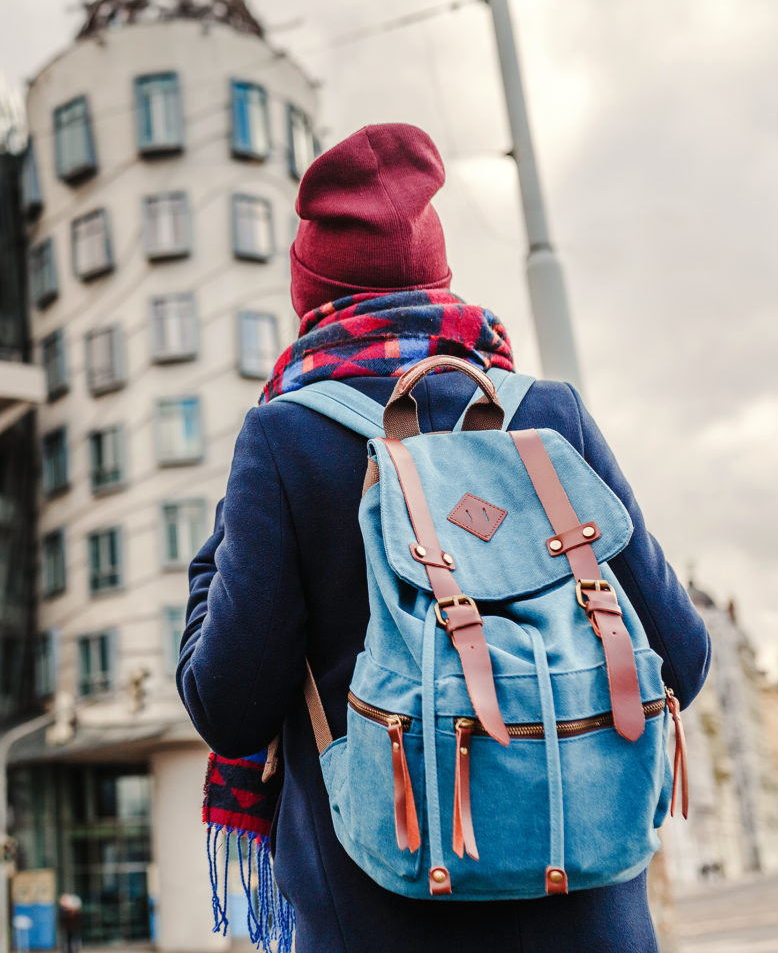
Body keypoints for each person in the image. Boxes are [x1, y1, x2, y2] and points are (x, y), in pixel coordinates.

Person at [176, 123, 712, 953]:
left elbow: (230, 706)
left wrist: (214, 563)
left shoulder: (286, 439)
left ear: (309, 292)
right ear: (437, 269)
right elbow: (681, 658)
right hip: (590, 914)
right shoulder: (546, 415)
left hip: (379, 915)